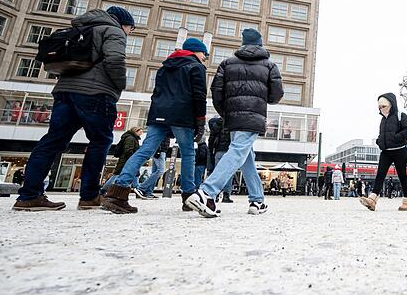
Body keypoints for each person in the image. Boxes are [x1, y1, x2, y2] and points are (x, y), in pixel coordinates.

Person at [13, 6, 133, 211]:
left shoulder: (81, 29)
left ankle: (29, 195)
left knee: (52, 141)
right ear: (123, 23)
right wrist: (119, 85)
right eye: (131, 28)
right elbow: (114, 60)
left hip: (64, 91)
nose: (130, 33)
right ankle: (89, 196)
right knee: (99, 141)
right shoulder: (113, 31)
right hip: (96, 93)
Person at [102, 38, 209, 214]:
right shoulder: (196, 67)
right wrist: (200, 120)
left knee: (144, 151)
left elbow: (156, 93)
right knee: (188, 153)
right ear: (195, 51)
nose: (204, 58)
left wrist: (155, 114)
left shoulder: (164, 67)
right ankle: (188, 195)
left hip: (158, 114)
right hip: (182, 115)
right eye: (204, 54)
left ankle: (117, 192)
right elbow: (199, 95)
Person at [186, 28, 283, 217]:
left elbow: (216, 92)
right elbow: (276, 95)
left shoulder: (226, 63)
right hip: (253, 115)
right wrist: (262, 98)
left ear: (243, 43)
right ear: (260, 44)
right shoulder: (269, 65)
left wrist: (226, 113)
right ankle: (206, 192)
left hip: (232, 116)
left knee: (246, 157)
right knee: (239, 151)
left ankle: (257, 200)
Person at [359, 93, 407, 212]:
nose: (381, 109)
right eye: (379, 107)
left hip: (400, 150)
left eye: (383, 106)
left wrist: (397, 137)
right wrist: (379, 141)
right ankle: (372, 200)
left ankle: (406, 202)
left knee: (402, 175)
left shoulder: (401, 115)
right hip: (386, 151)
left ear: (391, 105)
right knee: (380, 174)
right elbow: (381, 135)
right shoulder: (383, 119)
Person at [101, 127, 144, 194]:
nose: (141, 133)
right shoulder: (130, 138)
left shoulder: (134, 138)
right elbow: (128, 150)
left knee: (136, 174)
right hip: (126, 160)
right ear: (135, 131)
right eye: (140, 132)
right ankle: (103, 189)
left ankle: (137, 189)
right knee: (117, 175)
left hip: (129, 160)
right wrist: (133, 158)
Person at [135, 135, 171, 200]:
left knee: (155, 172)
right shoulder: (164, 128)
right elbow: (159, 139)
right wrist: (158, 151)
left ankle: (148, 192)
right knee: (160, 171)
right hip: (160, 151)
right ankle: (141, 188)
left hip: (161, 151)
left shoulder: (166, 130)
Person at [207, 116, 233, 203]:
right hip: (230, 150)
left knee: (217, 172)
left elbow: (211, 139)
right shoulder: (233, 122)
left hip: (218, 151)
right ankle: (226, 195)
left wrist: (210, 151)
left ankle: (215, 194)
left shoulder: (216, 124)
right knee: (228, 173)